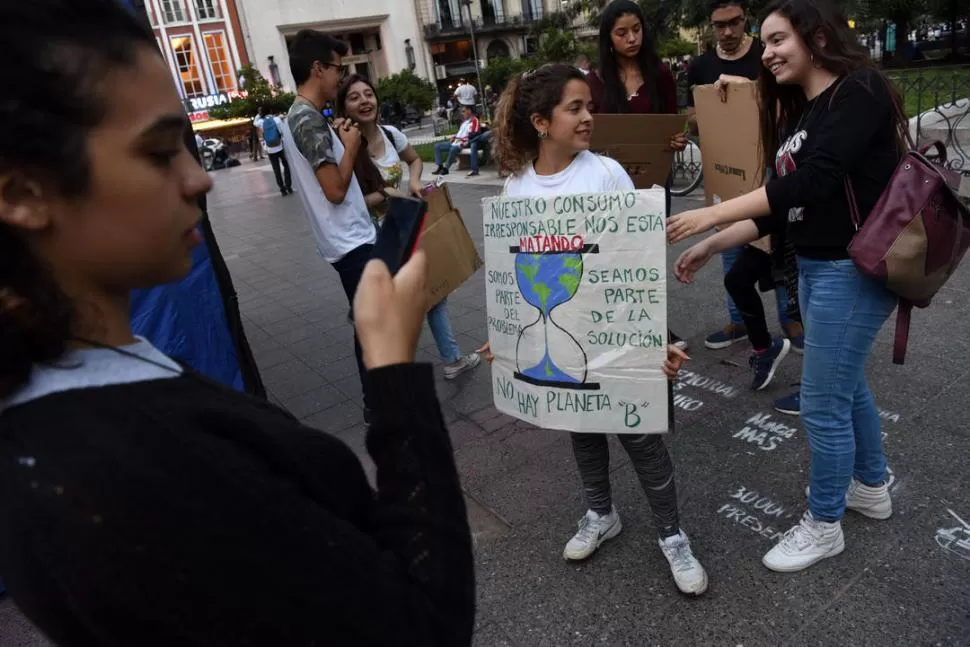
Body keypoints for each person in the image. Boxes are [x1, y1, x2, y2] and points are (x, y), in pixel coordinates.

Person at [0, 2, 476, 645]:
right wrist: (392, 369)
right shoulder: (134, 464)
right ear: (24, 193)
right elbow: (422, 621)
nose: (198, 177)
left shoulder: (75, 394)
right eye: (159, 150)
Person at [668, 0, 902, 573]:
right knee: (846, 389)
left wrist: (706, 217)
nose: (765, 52)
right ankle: (870, 487)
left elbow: (817, 181)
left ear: (815, 36)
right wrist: (710, 242)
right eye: (765, 42)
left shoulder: (860, 89)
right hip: (819, 268)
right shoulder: (801, 113)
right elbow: (780, 208)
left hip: (854, 269)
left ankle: (824, 525)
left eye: (776, 40)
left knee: (822, 403)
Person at [488, 63, 708, 596]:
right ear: (541, 121)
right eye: (576, 108)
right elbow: (509, 275)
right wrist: (504, 333)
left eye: (590, 106)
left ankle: (672, 535)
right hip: (558, 326)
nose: (589, 117)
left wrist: (657, 337)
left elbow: (629, 262)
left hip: (613, 332)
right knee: (583, 433)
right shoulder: (515, 188)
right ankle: (599, 513)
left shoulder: (605, 172)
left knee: (641, 438)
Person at [686, 0, 803, 389]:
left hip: (782, 183)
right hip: (742, 180)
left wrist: (749, 91)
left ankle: (795, 327)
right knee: (735, 266)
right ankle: (751, 333)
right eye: (720, 25)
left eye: (735, 23)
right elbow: (696, 116)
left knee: (786, 261)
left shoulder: (770, 63)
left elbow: (785, 108)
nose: (728, 32)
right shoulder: (701, 66)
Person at [337, 74, 482, 380]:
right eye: (354, 97)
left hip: (404, 226)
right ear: (344, 107)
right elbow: (346, 199)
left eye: (368, 93)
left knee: (430, 295)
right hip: (373, 238)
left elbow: (415, 160)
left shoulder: (389, 134)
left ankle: (449, 358)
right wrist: (387, 192)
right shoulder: (345, 148)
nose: (364, 101)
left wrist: (414, 181)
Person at [585, 0, 689, 351]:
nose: (631, 38)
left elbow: (672, 123)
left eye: (636, 29)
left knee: (649, 260)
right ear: (607, 38)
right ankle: (617, 324)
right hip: (609, 190)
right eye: (621, 32)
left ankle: (655, 324)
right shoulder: (595, 82)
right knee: (615, 258)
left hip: (654, 184)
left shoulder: (659, 74)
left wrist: (678, 139)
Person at [282, 30, 375, 422]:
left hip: (347, 238)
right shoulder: (306, 118)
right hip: (350, 240)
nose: (341, 76)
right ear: (317, 69)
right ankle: (380, 406)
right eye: (338, 68)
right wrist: (351, 148)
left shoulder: (302, 116)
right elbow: (334, 189)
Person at [254, 105, 293, 196]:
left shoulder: (261, 121)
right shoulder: (277, 119)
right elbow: (281, 132)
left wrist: (259, 114)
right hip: (280, 147)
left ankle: (282, 188)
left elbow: (254, 123)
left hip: (270, 149)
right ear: (270, 111)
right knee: (286, 166)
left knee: (276, 169)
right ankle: (288, 186)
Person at [431, 105, 480, 176]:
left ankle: (446, 168)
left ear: (469, 111)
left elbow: (475, 133)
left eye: (464, 111)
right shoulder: (464, 122)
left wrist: (465, 140)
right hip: (455, 141)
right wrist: (454, 137)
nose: (462, 113)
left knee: (453, 149)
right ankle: (440, 167)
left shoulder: (475, 121)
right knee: (437, 146)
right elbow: (460, 133)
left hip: (463, 143)